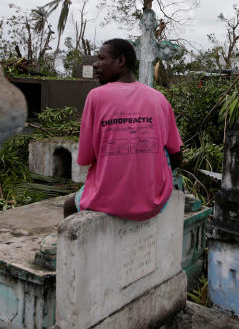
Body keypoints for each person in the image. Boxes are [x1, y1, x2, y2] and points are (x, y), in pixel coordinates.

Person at [64, 38, 183, 221]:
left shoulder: (96, 97)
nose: (95, 65)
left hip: (107, 201)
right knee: (164, 146)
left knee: (69, 206)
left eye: (101, 59)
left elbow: (86, 159)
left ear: (120, 61)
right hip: (154, 202)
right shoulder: (159, 99)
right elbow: (177, 156)